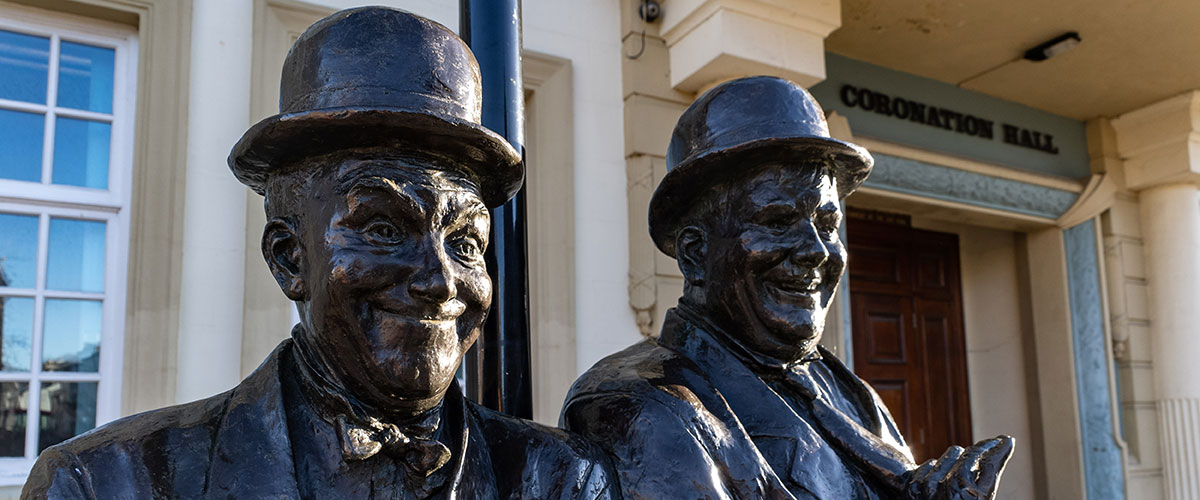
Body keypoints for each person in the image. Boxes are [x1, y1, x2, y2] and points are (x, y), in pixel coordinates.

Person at [23, 7, 614, 499]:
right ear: (289, 258)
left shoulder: (564, 480)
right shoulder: (105, 484)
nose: (440, 280)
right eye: (383, 228)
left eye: (464, 242)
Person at [561, 76, 1012, 500]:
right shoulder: (641, 407)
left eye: (827, 225)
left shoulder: (849, 392)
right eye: (778, 222)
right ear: (696, 254)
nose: (817, 251)